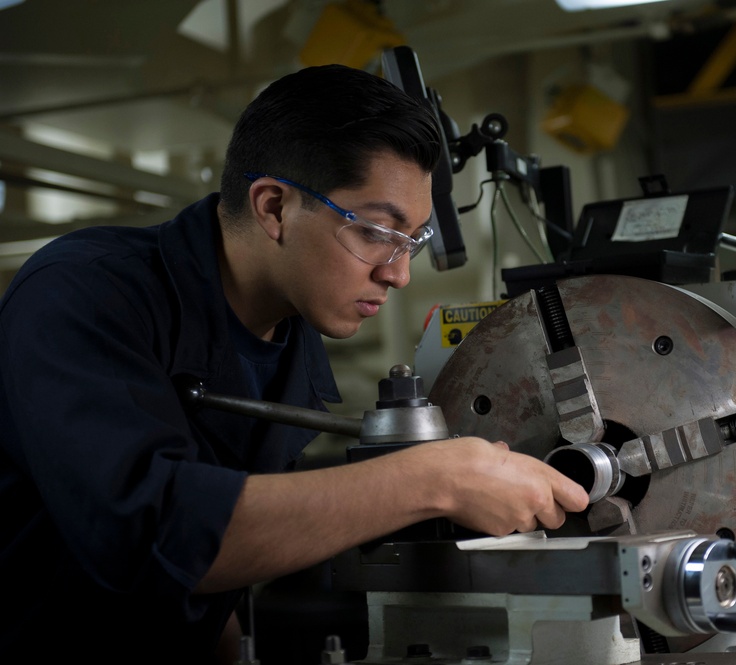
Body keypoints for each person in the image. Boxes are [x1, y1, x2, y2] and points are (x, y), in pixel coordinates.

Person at [0, 64, 589, 664]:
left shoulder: (290, 335)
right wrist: (436, 479)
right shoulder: (82, 293)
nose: (398, 273)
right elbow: (152, 533)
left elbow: (216, 585)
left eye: (411, 241)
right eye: (378, 232)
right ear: (274, 207)